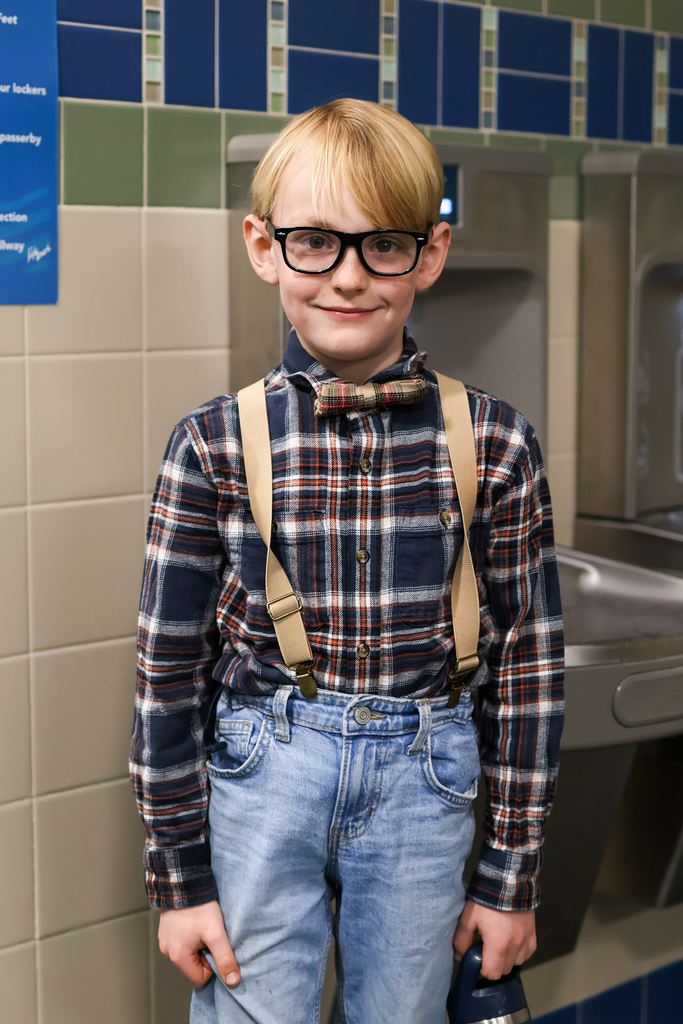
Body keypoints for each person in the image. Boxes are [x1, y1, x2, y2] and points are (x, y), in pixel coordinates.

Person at [130, 98, 564, 1024]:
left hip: (428, 781)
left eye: (384, 246)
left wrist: (510, 877)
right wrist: (178, 879)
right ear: (262, 247)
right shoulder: (211, 444)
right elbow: (167, 673)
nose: (349, 277)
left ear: (431, 254)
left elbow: (528, 667)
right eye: (315, 242)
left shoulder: (495, 443)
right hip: (259, 774)